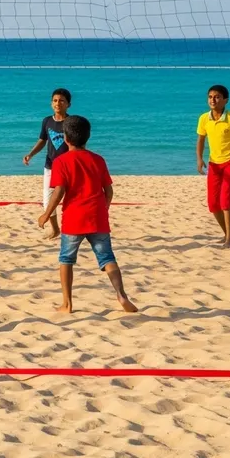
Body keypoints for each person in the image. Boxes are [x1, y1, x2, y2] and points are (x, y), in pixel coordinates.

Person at [38, 115, 137, 314]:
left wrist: (47, 214)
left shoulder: (61, 161)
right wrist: (103, 208)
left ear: (65, 138)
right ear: (88, 137)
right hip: (97, 217)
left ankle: (67, 303)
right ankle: (121, 294)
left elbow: (59, 191)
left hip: (74, 219)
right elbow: (108, 191)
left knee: (66, 259)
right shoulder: (98, 159)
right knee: (107, 258)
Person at [196, 84, 230, 248]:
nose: (213, 100)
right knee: (213, 204)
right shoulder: (204, 118)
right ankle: (227, 234)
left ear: (225, 100)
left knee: (225, 199)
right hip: (214, 163)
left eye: (217, 97)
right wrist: (199, 159)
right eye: (210, 97)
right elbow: (201, 139)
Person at [22, 88, 72, 239]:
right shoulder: (47, 121)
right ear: (51, 103)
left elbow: (77, 144)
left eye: (62, 100)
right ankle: (55, 229)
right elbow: (42, 141)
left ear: (68, 104)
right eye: (55, 100)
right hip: (50, 166)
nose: (58, 103)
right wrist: (30, 154)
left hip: (68, 167)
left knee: (72, 199)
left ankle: (73, 229)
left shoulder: (71, 122)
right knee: (47, 201)